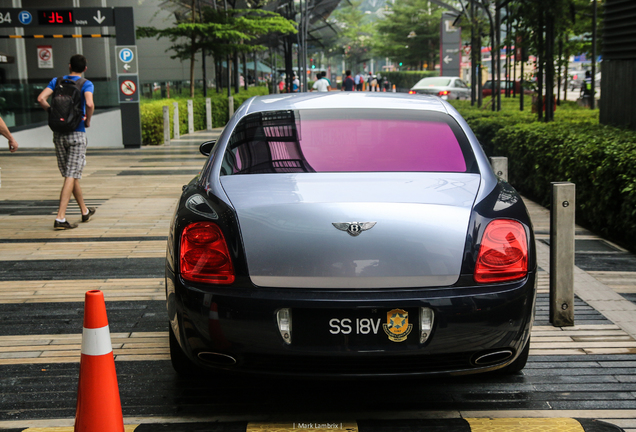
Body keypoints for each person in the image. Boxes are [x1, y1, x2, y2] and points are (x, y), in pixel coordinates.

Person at [37, 54, 95, 230]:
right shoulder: (86, 83)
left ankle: (84, 211)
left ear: (69, 66)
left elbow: (41, 98)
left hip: (59, 134)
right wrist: (87, 120)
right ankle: (60, 218)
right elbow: (89, 103)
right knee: (72, 174)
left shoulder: (57, 81)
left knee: (70, 174)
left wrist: (52, 111)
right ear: (85, 68)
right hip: (76, 133)